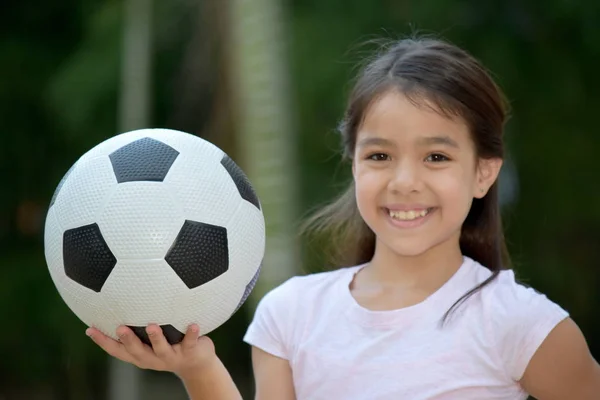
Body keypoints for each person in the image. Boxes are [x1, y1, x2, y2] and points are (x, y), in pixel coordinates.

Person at [86, 37, 600, 399]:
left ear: (484, 173)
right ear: (352, 162)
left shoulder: (519, 324)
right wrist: (198, 368)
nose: (404, 181)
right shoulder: (290, 315)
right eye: (379, 156)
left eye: (436, 157)